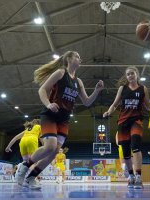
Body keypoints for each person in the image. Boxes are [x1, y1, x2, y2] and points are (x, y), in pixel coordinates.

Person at [15, 51, 104, 189]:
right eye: (77, 56)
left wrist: (97, 91)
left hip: (64, 119)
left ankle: (31, 178)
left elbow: (86, 102)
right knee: (49, 146)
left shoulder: (78, 81)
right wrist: (48, 104)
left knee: (54, 152)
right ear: (68, 59)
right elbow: (42, 90)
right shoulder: (61, 73)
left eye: (80, 57)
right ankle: (24, 166)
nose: (80, 59)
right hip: (50, 115)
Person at [103, 66, 150, 189]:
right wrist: (108, 112)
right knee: (126, 152)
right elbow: (115, 104)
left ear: (136, 74)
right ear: (126, 76)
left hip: (136, 120)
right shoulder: (122, 88)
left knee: (136, 147)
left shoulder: (143, 88)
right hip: (123, 122)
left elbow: (148, 107)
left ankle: (138, 176)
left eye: (132, 73)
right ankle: (131, 175)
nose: (130, 76)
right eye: (128, 74)